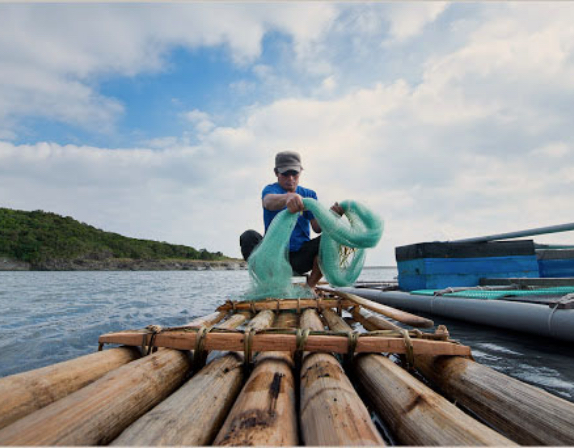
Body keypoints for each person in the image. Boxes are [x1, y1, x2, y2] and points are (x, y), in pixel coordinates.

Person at [240, 151, 343, 288]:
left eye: (294, 174)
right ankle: (268, 284)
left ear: (300, 172)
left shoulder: (309, 195)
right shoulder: (271, 190)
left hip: (299, 256)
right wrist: (287, 198)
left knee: (332, 239)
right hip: (272, 256)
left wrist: (332, 216)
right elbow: (268, 202)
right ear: (276, 173)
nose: (290, 178)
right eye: (285, 174)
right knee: (248, 236)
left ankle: (310, 287)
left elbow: (317, 228)